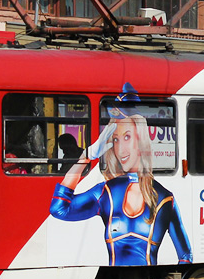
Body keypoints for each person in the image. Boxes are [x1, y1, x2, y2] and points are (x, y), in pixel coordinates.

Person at [49, 84, 192, 266]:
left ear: (140, 138)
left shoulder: (164, 199)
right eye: (115, 139)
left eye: (127, 137)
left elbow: (186, 256)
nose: (120, 148)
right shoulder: (106, 192)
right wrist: (87, 156)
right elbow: (59, 209)